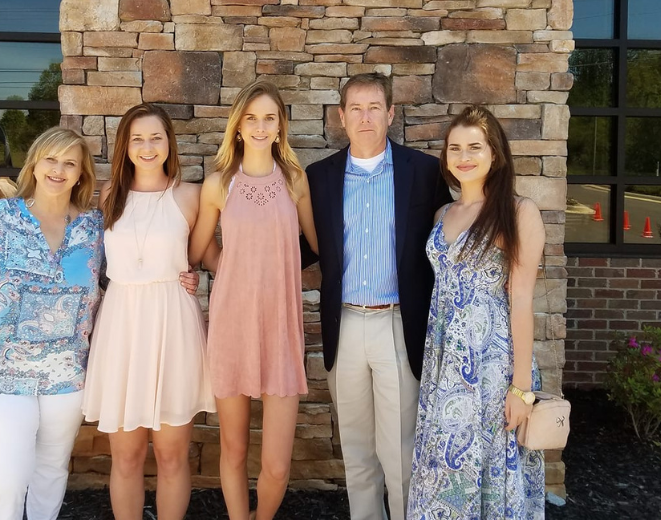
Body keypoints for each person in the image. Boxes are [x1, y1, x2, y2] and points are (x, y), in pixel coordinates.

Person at [301, 72, 453, 520]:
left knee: (401, 453)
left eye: (374, 108)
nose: (364, 117)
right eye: (355, 108)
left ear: (390, 114)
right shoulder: (319, 177)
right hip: (344, 326)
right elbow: (304, 247)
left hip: (397, 325)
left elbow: (450, 237)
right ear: (341, 117)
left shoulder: (422, 172)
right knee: (357, 452)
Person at [0, 127, 104, 520]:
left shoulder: (94, 229)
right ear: (34, 163)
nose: (59, 170)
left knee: (50, 473)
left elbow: (128, 277)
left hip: (67, 375)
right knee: (8, 480)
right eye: (51, 159)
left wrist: (182, 276)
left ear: (81, 173)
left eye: (70, 163)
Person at [188, 80, 318, 520]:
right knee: (234, 449)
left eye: (270, 118)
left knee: (277, 465)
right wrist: (227, 269)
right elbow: (199, 248)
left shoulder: (296, 181)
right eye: (252, 118)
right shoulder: (218, 185)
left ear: (281, 127)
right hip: (232, 326)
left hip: (280, 329)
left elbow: (317, 246)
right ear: (238, 126)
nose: (261, 127)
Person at [407, 106, 546, 519]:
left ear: (495, 153)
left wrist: (521, 388)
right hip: (444, 366)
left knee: (490, 469)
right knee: (443, 469)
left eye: (474, 147)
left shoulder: (519, 212)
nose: (463, 156)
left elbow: (521, 300)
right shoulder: (442, 214)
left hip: (491, 367)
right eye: (455, 148)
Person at [81, 104, 217, 520]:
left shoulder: (191, 195)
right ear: (125, 146)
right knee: (126, 456)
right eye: (137, 138)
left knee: (173, 454)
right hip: (121, 325)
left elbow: (214, 259)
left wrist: (197, 274)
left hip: (172, 324)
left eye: (156, 137)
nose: (147, 146)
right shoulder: (107, 196)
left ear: (169, 143)